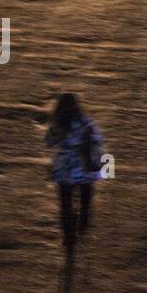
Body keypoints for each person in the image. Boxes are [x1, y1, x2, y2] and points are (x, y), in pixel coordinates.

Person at [45, 93, 104, 251]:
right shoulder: (85, 122)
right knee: (86, 200)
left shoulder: (59, 124)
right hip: (84, 167)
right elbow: (97, 138)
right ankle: (83, 223)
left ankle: (68, 235)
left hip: (64, 168)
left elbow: (48, 142)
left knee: (65, 203)